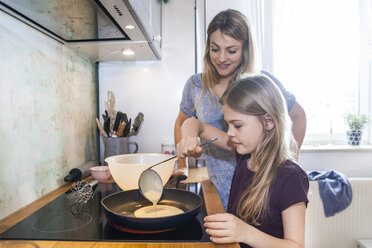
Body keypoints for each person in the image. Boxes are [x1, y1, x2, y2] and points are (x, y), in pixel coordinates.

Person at [174, 9, 306, 210]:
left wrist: (288, 163)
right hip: (219, 187)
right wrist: (182, 163)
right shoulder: (196, 85)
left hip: (261, 189)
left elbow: (298, 116)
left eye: (231, 50)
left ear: (245, 50)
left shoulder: (261, 84)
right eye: (215, 49)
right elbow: (185, 122)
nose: (221, 58)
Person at [177, 75, 309, 248]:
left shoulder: (291, 177)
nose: (230, 133)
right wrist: (189, 137)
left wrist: (244, 232)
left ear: (268, 121)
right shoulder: (244, 153)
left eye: (237, 125)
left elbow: (296, 245)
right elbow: (194, 124)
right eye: (228, 125)